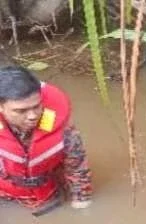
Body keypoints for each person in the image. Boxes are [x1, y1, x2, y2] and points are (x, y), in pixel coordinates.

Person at [0, 66, 93, 215]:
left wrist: (81, 201)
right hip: (4, 196)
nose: (32, 116)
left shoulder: (63, 130)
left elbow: (77, 168)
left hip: (49, 196)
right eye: (21, 111)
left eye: (36, 107)